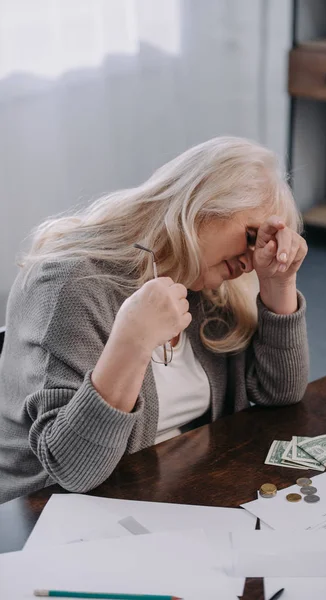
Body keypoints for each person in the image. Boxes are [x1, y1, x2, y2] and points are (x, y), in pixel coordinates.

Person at [0, 136, 309, 504]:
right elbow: (73, 471)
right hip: (50, 516)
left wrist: (279, 283)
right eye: (251, 236)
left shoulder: (212, 288)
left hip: (165, 493)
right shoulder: (67, 284)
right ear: (201, 205)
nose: (250, 260)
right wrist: (132, 343)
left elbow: (281, 395)